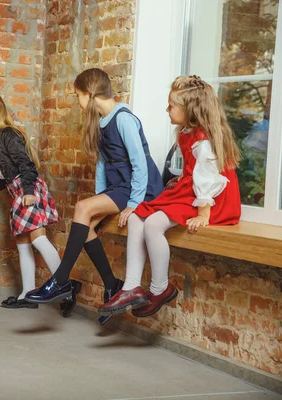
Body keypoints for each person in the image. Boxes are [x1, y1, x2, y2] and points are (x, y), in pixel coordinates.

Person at [25, 68, 163, 325]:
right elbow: (102, 166)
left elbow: (140, 165)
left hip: (141, 188)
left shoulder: (123, 119)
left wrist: (134, 203)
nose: (77, 102)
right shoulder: (102, 121)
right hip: (119, 188)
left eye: (77, 96)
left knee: (81, 207)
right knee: (86, 224)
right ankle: (111, 284)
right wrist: (99, 200)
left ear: (89, 94)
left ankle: (61, 280)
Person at [99, 75, 241, 318]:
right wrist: (180, 180)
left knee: (153, 224)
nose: (167, 110)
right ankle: (131, 286)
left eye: (172, 106)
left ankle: (160, 288)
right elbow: (194, 171)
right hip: (192, 188)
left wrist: (203, 214)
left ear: (191, 110)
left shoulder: (203, 140)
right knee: (136, 217)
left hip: (212, 199)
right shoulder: (185, 131)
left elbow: (208, 177)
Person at [0, 94, 80, 316]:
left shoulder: (8, 134)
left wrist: (29, 192)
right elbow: (3, 175)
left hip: (28, 190)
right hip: (18, 193)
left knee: (38, 239)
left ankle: (66, 286)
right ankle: (28, 294)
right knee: (22, 242)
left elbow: (26, 164)